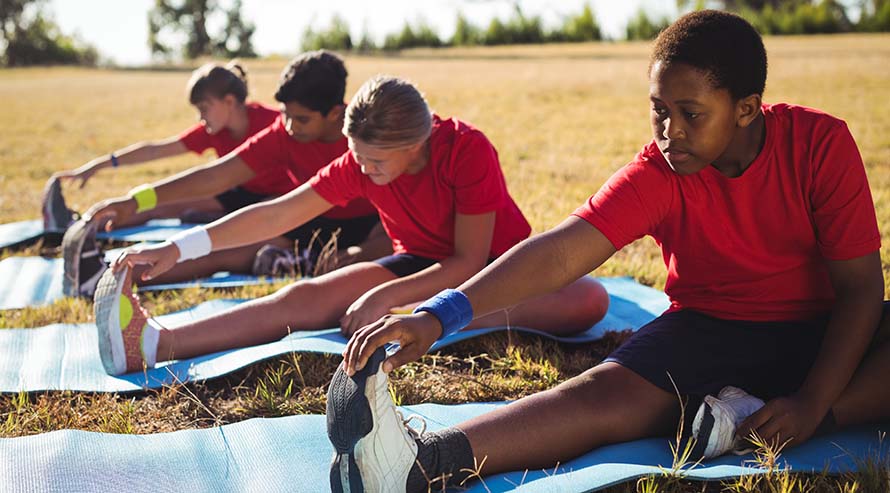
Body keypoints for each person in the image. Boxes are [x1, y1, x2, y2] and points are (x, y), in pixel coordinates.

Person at [330, 10, 890, 492]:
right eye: (658, 109)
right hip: (709, 329)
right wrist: (439, 314)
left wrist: (817, 404)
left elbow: (862, 289)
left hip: (824, 327)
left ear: (746, 109)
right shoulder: (659, 173)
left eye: (690, 113)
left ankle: (755, 414)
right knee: (601, 396)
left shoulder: (819, 144)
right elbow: (557, 254)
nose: (670, 131)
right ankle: (419, 465)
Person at [91, 75, 609, 377]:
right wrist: (177, 249)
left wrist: (391, 301)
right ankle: (154, 345)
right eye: (356, 157)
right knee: (303, 299)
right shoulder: (359, 163)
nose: (361, 171)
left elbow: (469, 262)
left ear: (416, 144)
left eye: (374, 161)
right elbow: (278, 212)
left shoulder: (466, 150)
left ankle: (413, 319)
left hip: (494, 269)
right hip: (418, 263)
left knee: (589, 301)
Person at [64, 51, 387, 294]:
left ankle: (307, 262)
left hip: (377, 225)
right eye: (286, 115)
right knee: (225, 249)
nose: (289, 126)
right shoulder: (283, 133)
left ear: (335, 113)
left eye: (301, 119)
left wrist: (363, 251)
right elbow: (215, 176)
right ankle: (108, 278)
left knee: (363, 260)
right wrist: (136, 201)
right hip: (316, 218)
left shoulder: (366, 135)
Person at [48, 61, 279, 227]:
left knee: (256, 217)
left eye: (204, 108)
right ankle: (80, 227)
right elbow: (156, 150)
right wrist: (99, 165)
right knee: (158, 205)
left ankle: (216, 218)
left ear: (229, 102)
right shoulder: (213, 131)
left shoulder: (274, 123)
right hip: (239, 193)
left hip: (278, 200)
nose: (200, 117)